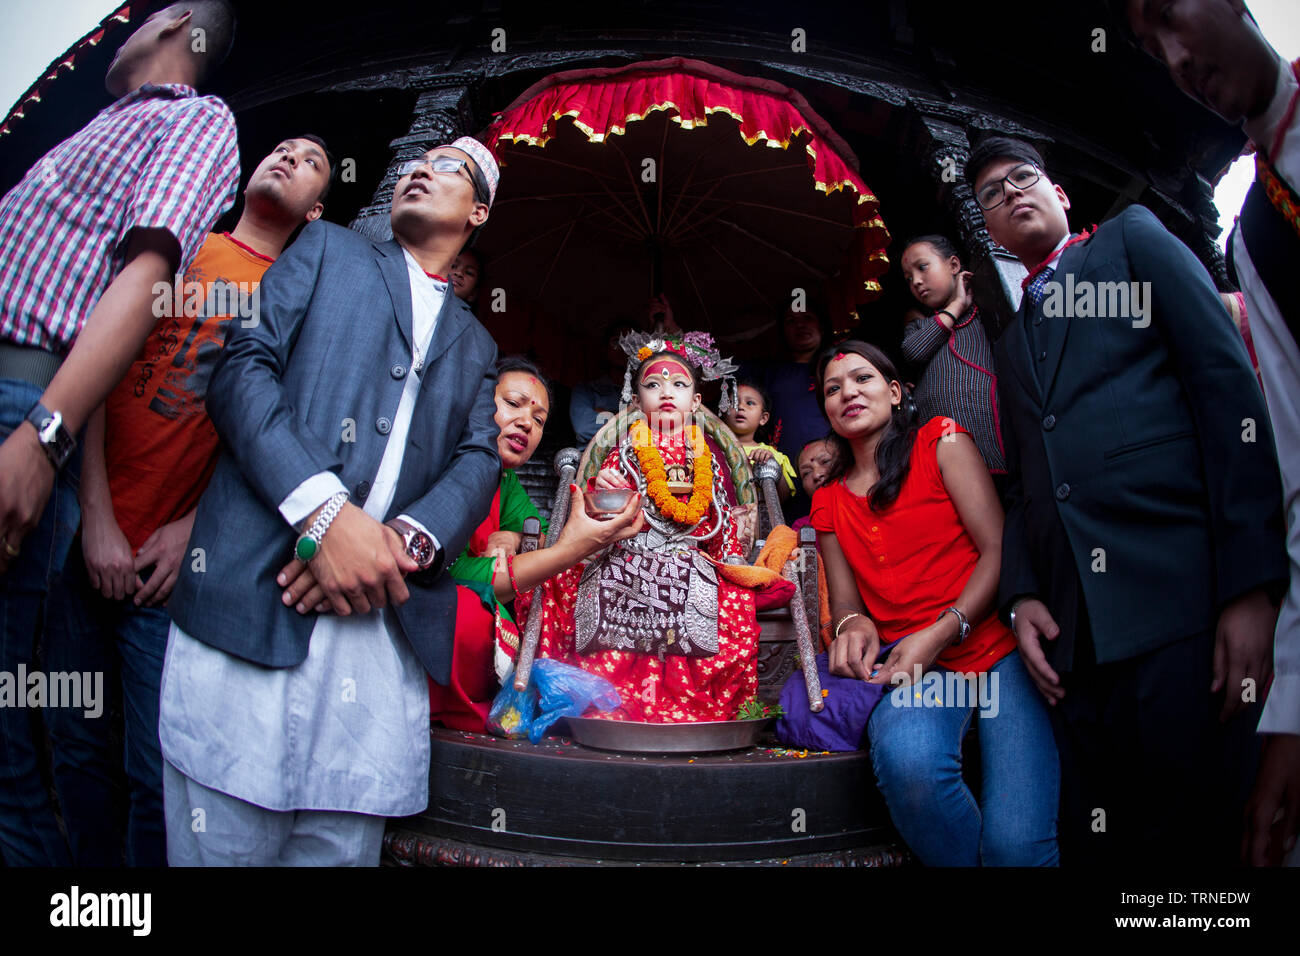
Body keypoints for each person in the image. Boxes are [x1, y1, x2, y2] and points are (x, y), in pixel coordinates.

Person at [159, 135, 502, 866]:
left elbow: (480, 461)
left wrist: (398, 545)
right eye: (419, 160)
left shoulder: (478, 345)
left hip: (376, 645)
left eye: (448, 168)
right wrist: (326, 515)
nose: (419, 168)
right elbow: (241, 369)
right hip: (252, 603)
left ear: (477, 211)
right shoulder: (326, 250)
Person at [968, 134, 1287, 866]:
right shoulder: (1011, 342)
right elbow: (1023, 484)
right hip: (1076, 649)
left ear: (1060, 194)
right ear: (987, 229)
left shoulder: (1131, 242)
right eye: (991, 194)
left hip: (1181, 608)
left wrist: (1253, 585)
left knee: (1200, 843)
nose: (1011, 194)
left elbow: (1227, 391)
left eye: (1024, 177)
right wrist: (1020, 595)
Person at [39, 136, 335, 867]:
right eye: (285, 147)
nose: (291, 157)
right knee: (71, 745)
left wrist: (191, 528)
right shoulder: (181, 252)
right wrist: (95, 513)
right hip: (79, 528)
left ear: (318, 208)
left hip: (170, 569)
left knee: (153, 769)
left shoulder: (292, 298)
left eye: (313, 161)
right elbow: (97, 364)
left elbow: (267, 442)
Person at [0, 0, 239, 866]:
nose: (113, 30)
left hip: (51, 432)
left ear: (178, 17)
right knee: (60, 741)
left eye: (314, 157)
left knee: (120, 763)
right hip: (73, 470)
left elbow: (145, 282)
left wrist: (42, 434)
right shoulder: (112, 129)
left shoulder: (200, 122)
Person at [1122, 0, 1300, 867]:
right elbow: (1293, 461)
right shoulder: (1257, 237)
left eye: (1168, 15)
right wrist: (1293, 711)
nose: (1174, 56)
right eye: (1151, 47)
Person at [810, 342, 1058, 866]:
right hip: (915, 667)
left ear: (896, 392)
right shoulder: (828, 498)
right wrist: (854, 628)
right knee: (911, 770)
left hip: (997, 648)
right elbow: (849, 604)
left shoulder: (940, 442)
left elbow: (998, 549)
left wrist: (944, 628)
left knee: (1017, 848)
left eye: (862, 379)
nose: (848, 392)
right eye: (834, 389)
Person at [530, 331, 762, 722]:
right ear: (636, 402)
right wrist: (603, 491)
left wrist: (731, 550)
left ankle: (693, 709)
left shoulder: (712, 455)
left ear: (697, 401)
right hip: (630, 554)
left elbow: (723, 520)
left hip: (694, 558)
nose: (666, 393)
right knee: (577, 586)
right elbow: (595, 518)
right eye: (653, 385)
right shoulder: (623, 450)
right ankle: (612, 704)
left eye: (679, 385)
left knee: (734, 602)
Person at [429, 356, 643, 731]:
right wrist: (569, 550)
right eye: (512, 404)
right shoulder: (441, 463)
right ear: (477, 403)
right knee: (463, 611)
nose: (526, 422)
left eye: (539, 419)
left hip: (484, 604)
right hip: (440, 607)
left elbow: (542, 531)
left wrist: (517, 536)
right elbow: (454, 571)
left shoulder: (505, 481)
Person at [899, 236, 1006, 480]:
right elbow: (913, 352)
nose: (916, 281)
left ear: (954, 265)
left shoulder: (984, 311)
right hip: (940, 456)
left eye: (922, 267)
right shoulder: (920, 326)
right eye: (908, 278)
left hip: (989, 452)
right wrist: (956, 304)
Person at [745, 303, 832, 521]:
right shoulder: (770, 372)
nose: (800, 326)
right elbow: (717, 367)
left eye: (807, 318)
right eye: (791, 321)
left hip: (833, 472)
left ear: (822, 325)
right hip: (787, 481)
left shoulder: (835, 368)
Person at [722, 380, 796, 499]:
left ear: (763, 418)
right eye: (733, 402)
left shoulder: (772, 454)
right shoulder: (714, 447)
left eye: (750, 403)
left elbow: (783, 498)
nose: (740, 407)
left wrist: (772, 465)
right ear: (724, 412)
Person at [571, 321, 636, 447]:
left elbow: (657, 427)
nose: (623, 348)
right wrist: (635, 419)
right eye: (616, 341)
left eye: (630, 343)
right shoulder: (586, 390)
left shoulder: (644, 393)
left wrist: (605, 414)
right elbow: (583, 428)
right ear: (605, 349)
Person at [792, 437, 837, 533]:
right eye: (807, 473)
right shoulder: (802, 529)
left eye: (825, 462)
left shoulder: (869, 507)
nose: (816, 475)